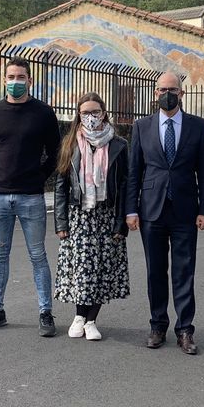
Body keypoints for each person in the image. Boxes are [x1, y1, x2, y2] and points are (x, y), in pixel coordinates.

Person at [126, 72, 204, 355]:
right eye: (162, 89)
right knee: (155, 271)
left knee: (184, 272)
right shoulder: (142, 126)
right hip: (151, 210)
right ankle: (157, 326)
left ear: (182, 93)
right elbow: (134, 172)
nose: (167, 94)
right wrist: (131, 210)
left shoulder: (198, 126)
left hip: (185, 210)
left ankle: (185, 330)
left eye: (172, 90)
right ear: (155, 93)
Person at [0, 57, 61, 337]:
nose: (15, 82)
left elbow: (56, 153)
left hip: (31, 197)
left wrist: (38, 177)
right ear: (4, 80)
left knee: (38, 255)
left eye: (20, 77)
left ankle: (45, 312)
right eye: (11, 77)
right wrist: (3, 177)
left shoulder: (44, 113)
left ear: (30, 80)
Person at [53, 92, 130, 341]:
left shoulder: (118, 145)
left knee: (102, 270)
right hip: (79, 215)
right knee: (82, 268)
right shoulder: (70, 144)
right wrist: (61, 222)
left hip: (107, 215)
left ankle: (91, 320)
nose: (90, 117)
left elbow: (124, 186)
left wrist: (120, 223)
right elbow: (61, 185)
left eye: (95, 112)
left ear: (104, 113)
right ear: (78, 115)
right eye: (85, 113)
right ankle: (79, 317)